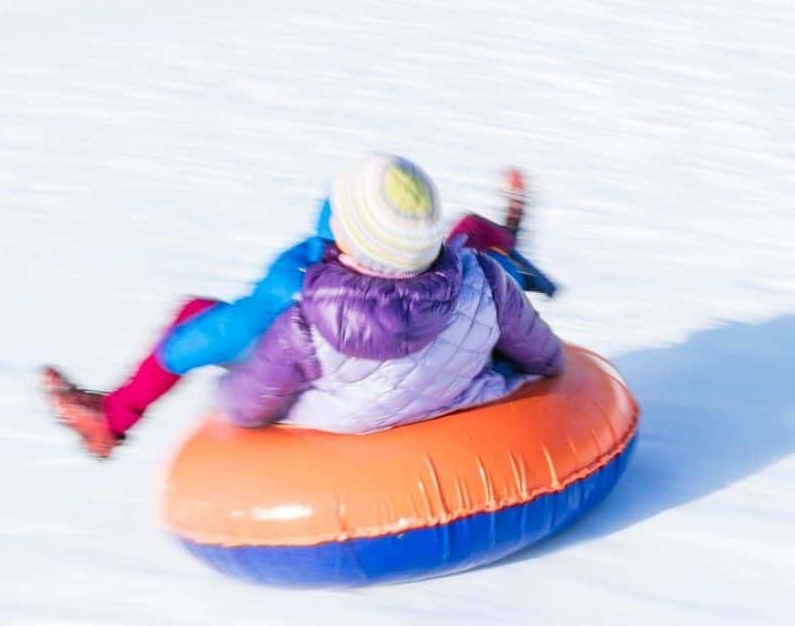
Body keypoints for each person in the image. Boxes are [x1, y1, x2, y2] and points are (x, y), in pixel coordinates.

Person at [44, 158, 561, 458]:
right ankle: (506, 237)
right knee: (474, 239)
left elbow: (214, 365)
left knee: (197, 317)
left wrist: (216, 399)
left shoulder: (301, 306)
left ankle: (110, 419)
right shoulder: (478, 280)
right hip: (451, 367)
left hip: (343, 395)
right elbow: (539, 349)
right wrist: (535, 370)